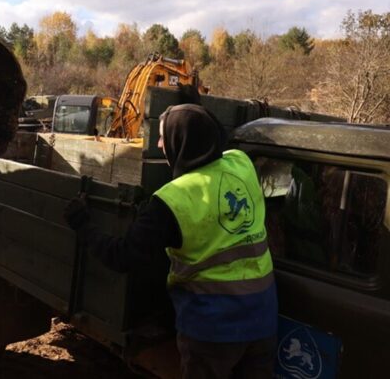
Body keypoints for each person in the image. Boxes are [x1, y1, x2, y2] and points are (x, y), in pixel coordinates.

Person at [64, 104, 277, 379]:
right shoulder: (241, 163)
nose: (160, 144)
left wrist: (82, 225)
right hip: (262, 316)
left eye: (163, 137)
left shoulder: (171, 201)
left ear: (181, 142)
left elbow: (122, 256)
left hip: (213, 329)